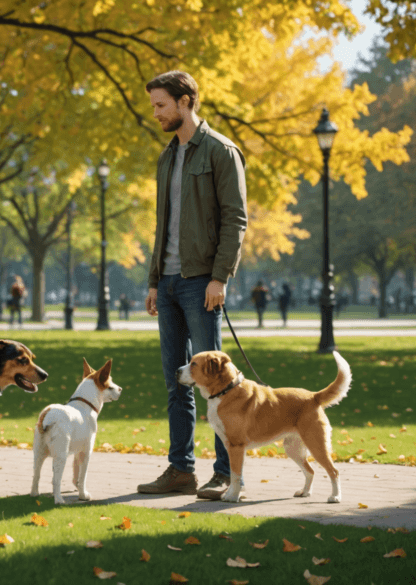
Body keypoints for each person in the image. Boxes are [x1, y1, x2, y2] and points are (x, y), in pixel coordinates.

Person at [138, 70, 248, 500]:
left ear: (186, 101)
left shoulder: (221, 151)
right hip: (166, 284)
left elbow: (235, 219)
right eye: (153, 106)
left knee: (218, 381)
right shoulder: (166, 157)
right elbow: (162, 226)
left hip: (202, 281)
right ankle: (181, 469)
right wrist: (153, 282)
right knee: (176, 381)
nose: (156, 113)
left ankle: (224, 472)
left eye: (161, 105)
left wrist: (220, 276)